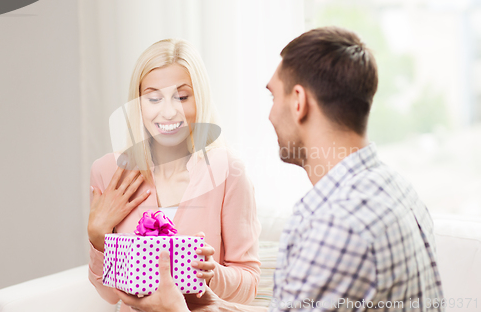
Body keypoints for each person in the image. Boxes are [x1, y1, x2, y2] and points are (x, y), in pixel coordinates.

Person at [115, 27, 445, 312]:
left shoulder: (331, 223)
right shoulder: (397, 189)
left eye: (273, 96)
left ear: (298, 102)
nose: (270, 115)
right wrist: (217, 305)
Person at [87, 39, 261, 312]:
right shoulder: (109, 172)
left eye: (182, 97)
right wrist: (98, 238)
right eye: (154, 98)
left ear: (199, 98)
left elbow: (249, 285)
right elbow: (110, 297)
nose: (168, 112)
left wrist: (211, 273)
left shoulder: (228, 171)